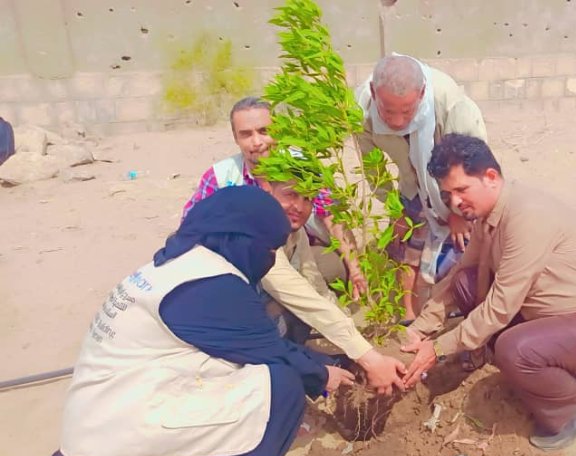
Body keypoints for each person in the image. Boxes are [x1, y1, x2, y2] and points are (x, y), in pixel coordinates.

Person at [21, 186, 355, 456]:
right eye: (268, 247)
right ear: (241, 239)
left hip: (94, 422)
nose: (270, 258)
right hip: (115, 446)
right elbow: (275, 354)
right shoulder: (211, 286)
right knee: (281, 386)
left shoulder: (182, 262)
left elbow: (254, 344)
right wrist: (326, 374)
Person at [400, 134, 576, 451]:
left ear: (490, 177)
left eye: (462, 190)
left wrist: (438, 347)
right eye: (448, 195)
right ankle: (505, 354)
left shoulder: (527, 215)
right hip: (558, 317)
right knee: (466, 282)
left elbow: (501, 307)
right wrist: (420, 329)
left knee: (514, 349)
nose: (456, 202)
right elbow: (458, 277)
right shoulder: (488, 217)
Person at [182, 96, 366, 298]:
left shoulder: (302, 167)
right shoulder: (220, 177)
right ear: (235, 138)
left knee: (332, 267)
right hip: (244, 262)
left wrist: (356, 271)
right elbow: (190, 227)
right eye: (246, 134)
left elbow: (332, 218)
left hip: (302, 252)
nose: (257, 142)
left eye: (264, 131)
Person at [356, 54, 487, 320]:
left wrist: (457, 212)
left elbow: (473, 165)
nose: (397, 121)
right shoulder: (361, 109)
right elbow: (373, 168)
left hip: (454, 190)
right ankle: (408, 313)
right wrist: (395, 207)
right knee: (405, 249)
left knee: (463, 255)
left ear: (422, 93)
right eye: (388, 111)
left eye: (407, 111)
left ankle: (459, 308)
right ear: (373, 92)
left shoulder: (450, 104)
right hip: (412, 189)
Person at [259, 178, 407, 395]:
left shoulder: (296, 233)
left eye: (308, 198)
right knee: (286, 315)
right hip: (230, 335)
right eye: (290, 195)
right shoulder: (262, 238)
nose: (299, 207)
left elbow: (315, 285)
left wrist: (353, 338)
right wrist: (368, 357)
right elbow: (307, 303)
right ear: (267, 190)